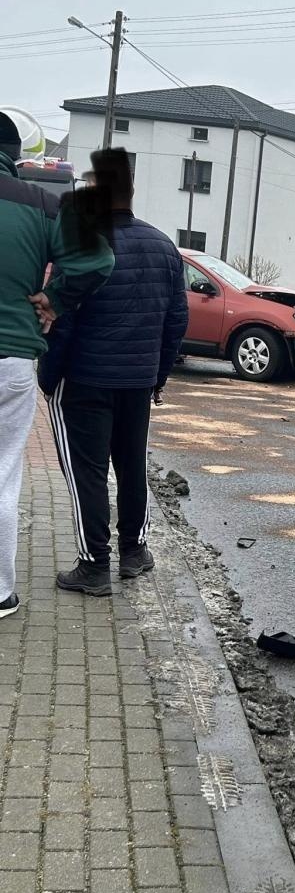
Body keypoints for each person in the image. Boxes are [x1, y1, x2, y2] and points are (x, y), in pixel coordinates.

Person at [37, 148, 188, 596]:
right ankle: (135, 552)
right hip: (137, 381)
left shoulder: (82, 245)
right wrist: (157, 375)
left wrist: (48, 377)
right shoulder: (163, 245)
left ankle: (94, 565)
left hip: (85, 379)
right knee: (131, 464)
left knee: (87, 472)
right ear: (132, 191)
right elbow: (176, 319)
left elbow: (63, 317)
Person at [0, 107, 113, 620]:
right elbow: (98, 259)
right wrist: (55, 298)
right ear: (16, 154)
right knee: (3, 474)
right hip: (11, 358)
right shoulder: (42, 203)